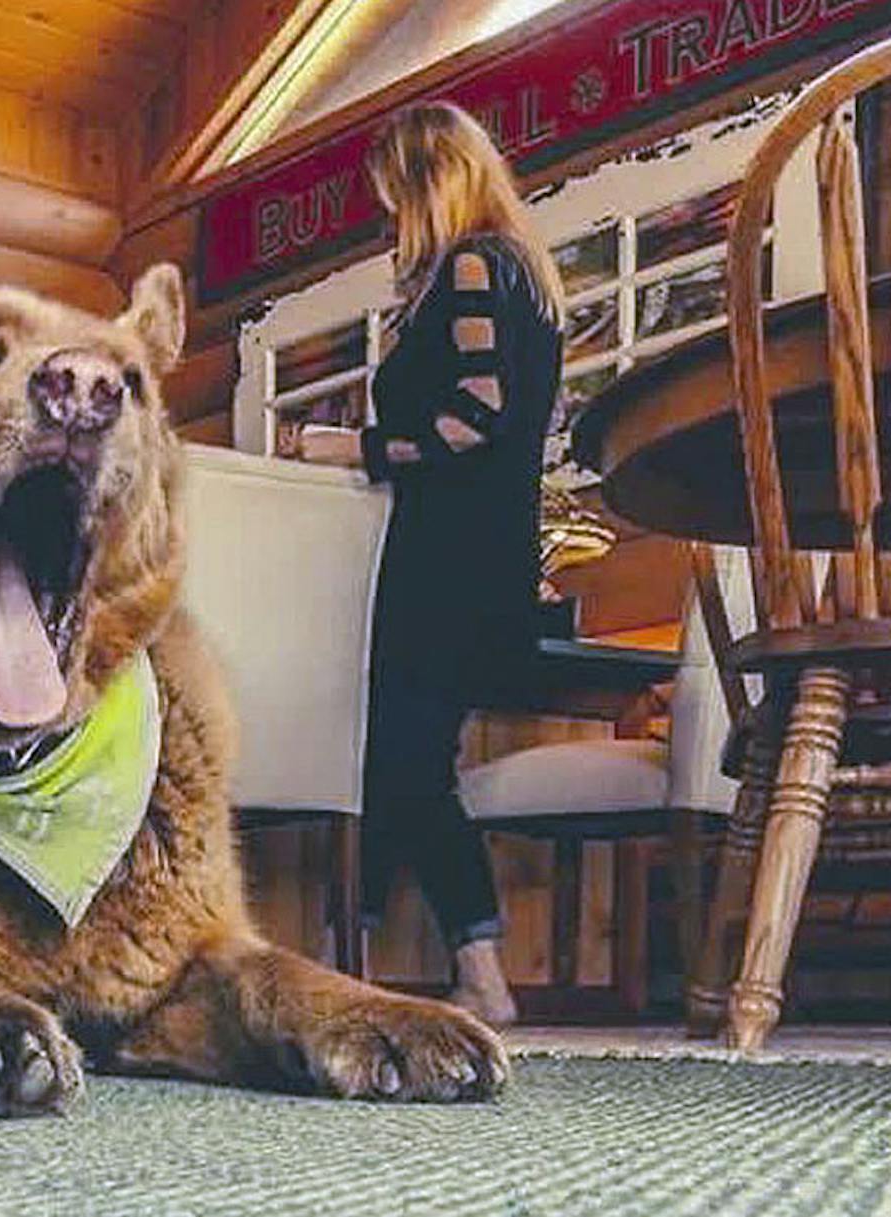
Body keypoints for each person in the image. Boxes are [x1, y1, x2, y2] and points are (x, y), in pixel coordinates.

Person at [298, 102, 566, 1027]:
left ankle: (480, 974)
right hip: (482, 559)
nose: (386, 218)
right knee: (396, 761)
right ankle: (352, 958)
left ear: (425, 182)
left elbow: (474, 420)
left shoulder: (473, 265)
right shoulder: (520, 277)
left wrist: (357, 449)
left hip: (448, 562)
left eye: (390, 196)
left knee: (407, 766)